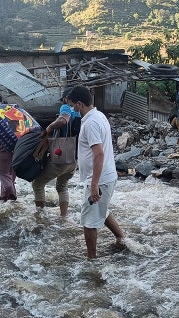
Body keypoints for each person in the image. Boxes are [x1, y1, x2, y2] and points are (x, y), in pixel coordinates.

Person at [67, 86, 125, 259]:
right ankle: (122, 239)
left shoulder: (91, 123)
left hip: (99, 179)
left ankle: (91, 259)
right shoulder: (98, 116)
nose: (72, 109)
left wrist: (94, 184)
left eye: (72, 106)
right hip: (106, 176)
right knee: (102, 210)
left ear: (79, 104)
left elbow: (98, 153)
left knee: (89, 222)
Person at [33, 88, 80, 217]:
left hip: (62, 155)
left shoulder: (65, 108)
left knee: (37, 184)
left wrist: (50, 127)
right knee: (62, 186)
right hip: (74, 158)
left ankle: (40, 216)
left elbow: (62, 121)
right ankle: (64, 217)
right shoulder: (81, 112)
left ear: (66, 99)